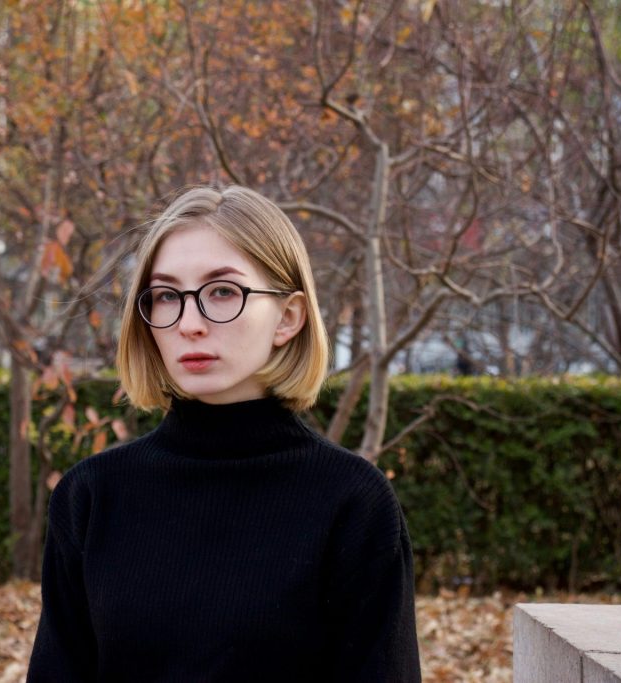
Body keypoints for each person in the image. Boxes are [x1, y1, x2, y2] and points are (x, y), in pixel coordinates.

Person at [26, 185, 421, 682]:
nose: (190, 323)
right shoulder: (91, 496)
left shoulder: (352, 501)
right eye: (167, 296)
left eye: (222, 292)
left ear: (289, 317)